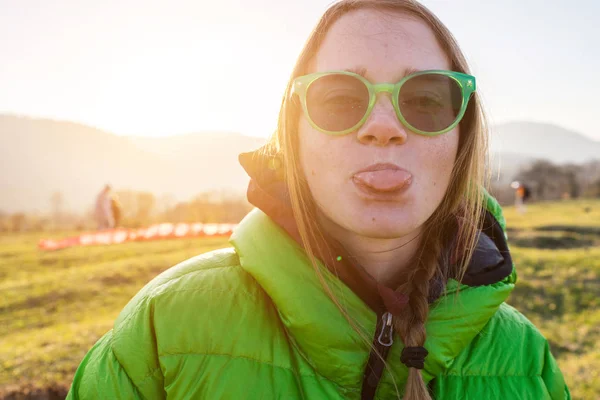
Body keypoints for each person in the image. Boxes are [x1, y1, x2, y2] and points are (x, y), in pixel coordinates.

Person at [67, 1, 570, 399]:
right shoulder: (161, 330)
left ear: (461, 136)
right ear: (294, 134)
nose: (383, 127)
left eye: (425, 99)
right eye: (339, 99)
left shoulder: (524, 357)